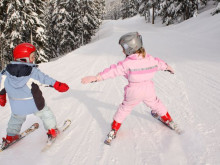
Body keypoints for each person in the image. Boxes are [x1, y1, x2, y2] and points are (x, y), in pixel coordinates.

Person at [81, 32, 175, 142]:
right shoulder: (151, 59)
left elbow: (113, 71)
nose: (122, 50)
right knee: (156, 104)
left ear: (130, 48)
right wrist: (167, 67)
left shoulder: (126, 64)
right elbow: (160, 63)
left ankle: (114, 128)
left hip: (133, 92)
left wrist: (97, 77)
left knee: (124, 109)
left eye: (124, 48)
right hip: (148, 90)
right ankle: (168, 120)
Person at [0, 43, 69, 147]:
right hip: (34, 103)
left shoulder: (5, 72)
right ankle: (52, 130)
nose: (34, 59)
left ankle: (10, 136)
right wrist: (57, 84)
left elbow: (1, 85)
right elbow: (45, 79)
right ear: (24, 59)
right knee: (45, 113)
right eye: (32, 57)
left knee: (16, 118)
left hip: (16, 105)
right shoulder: (32, 71)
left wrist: (2, 96)